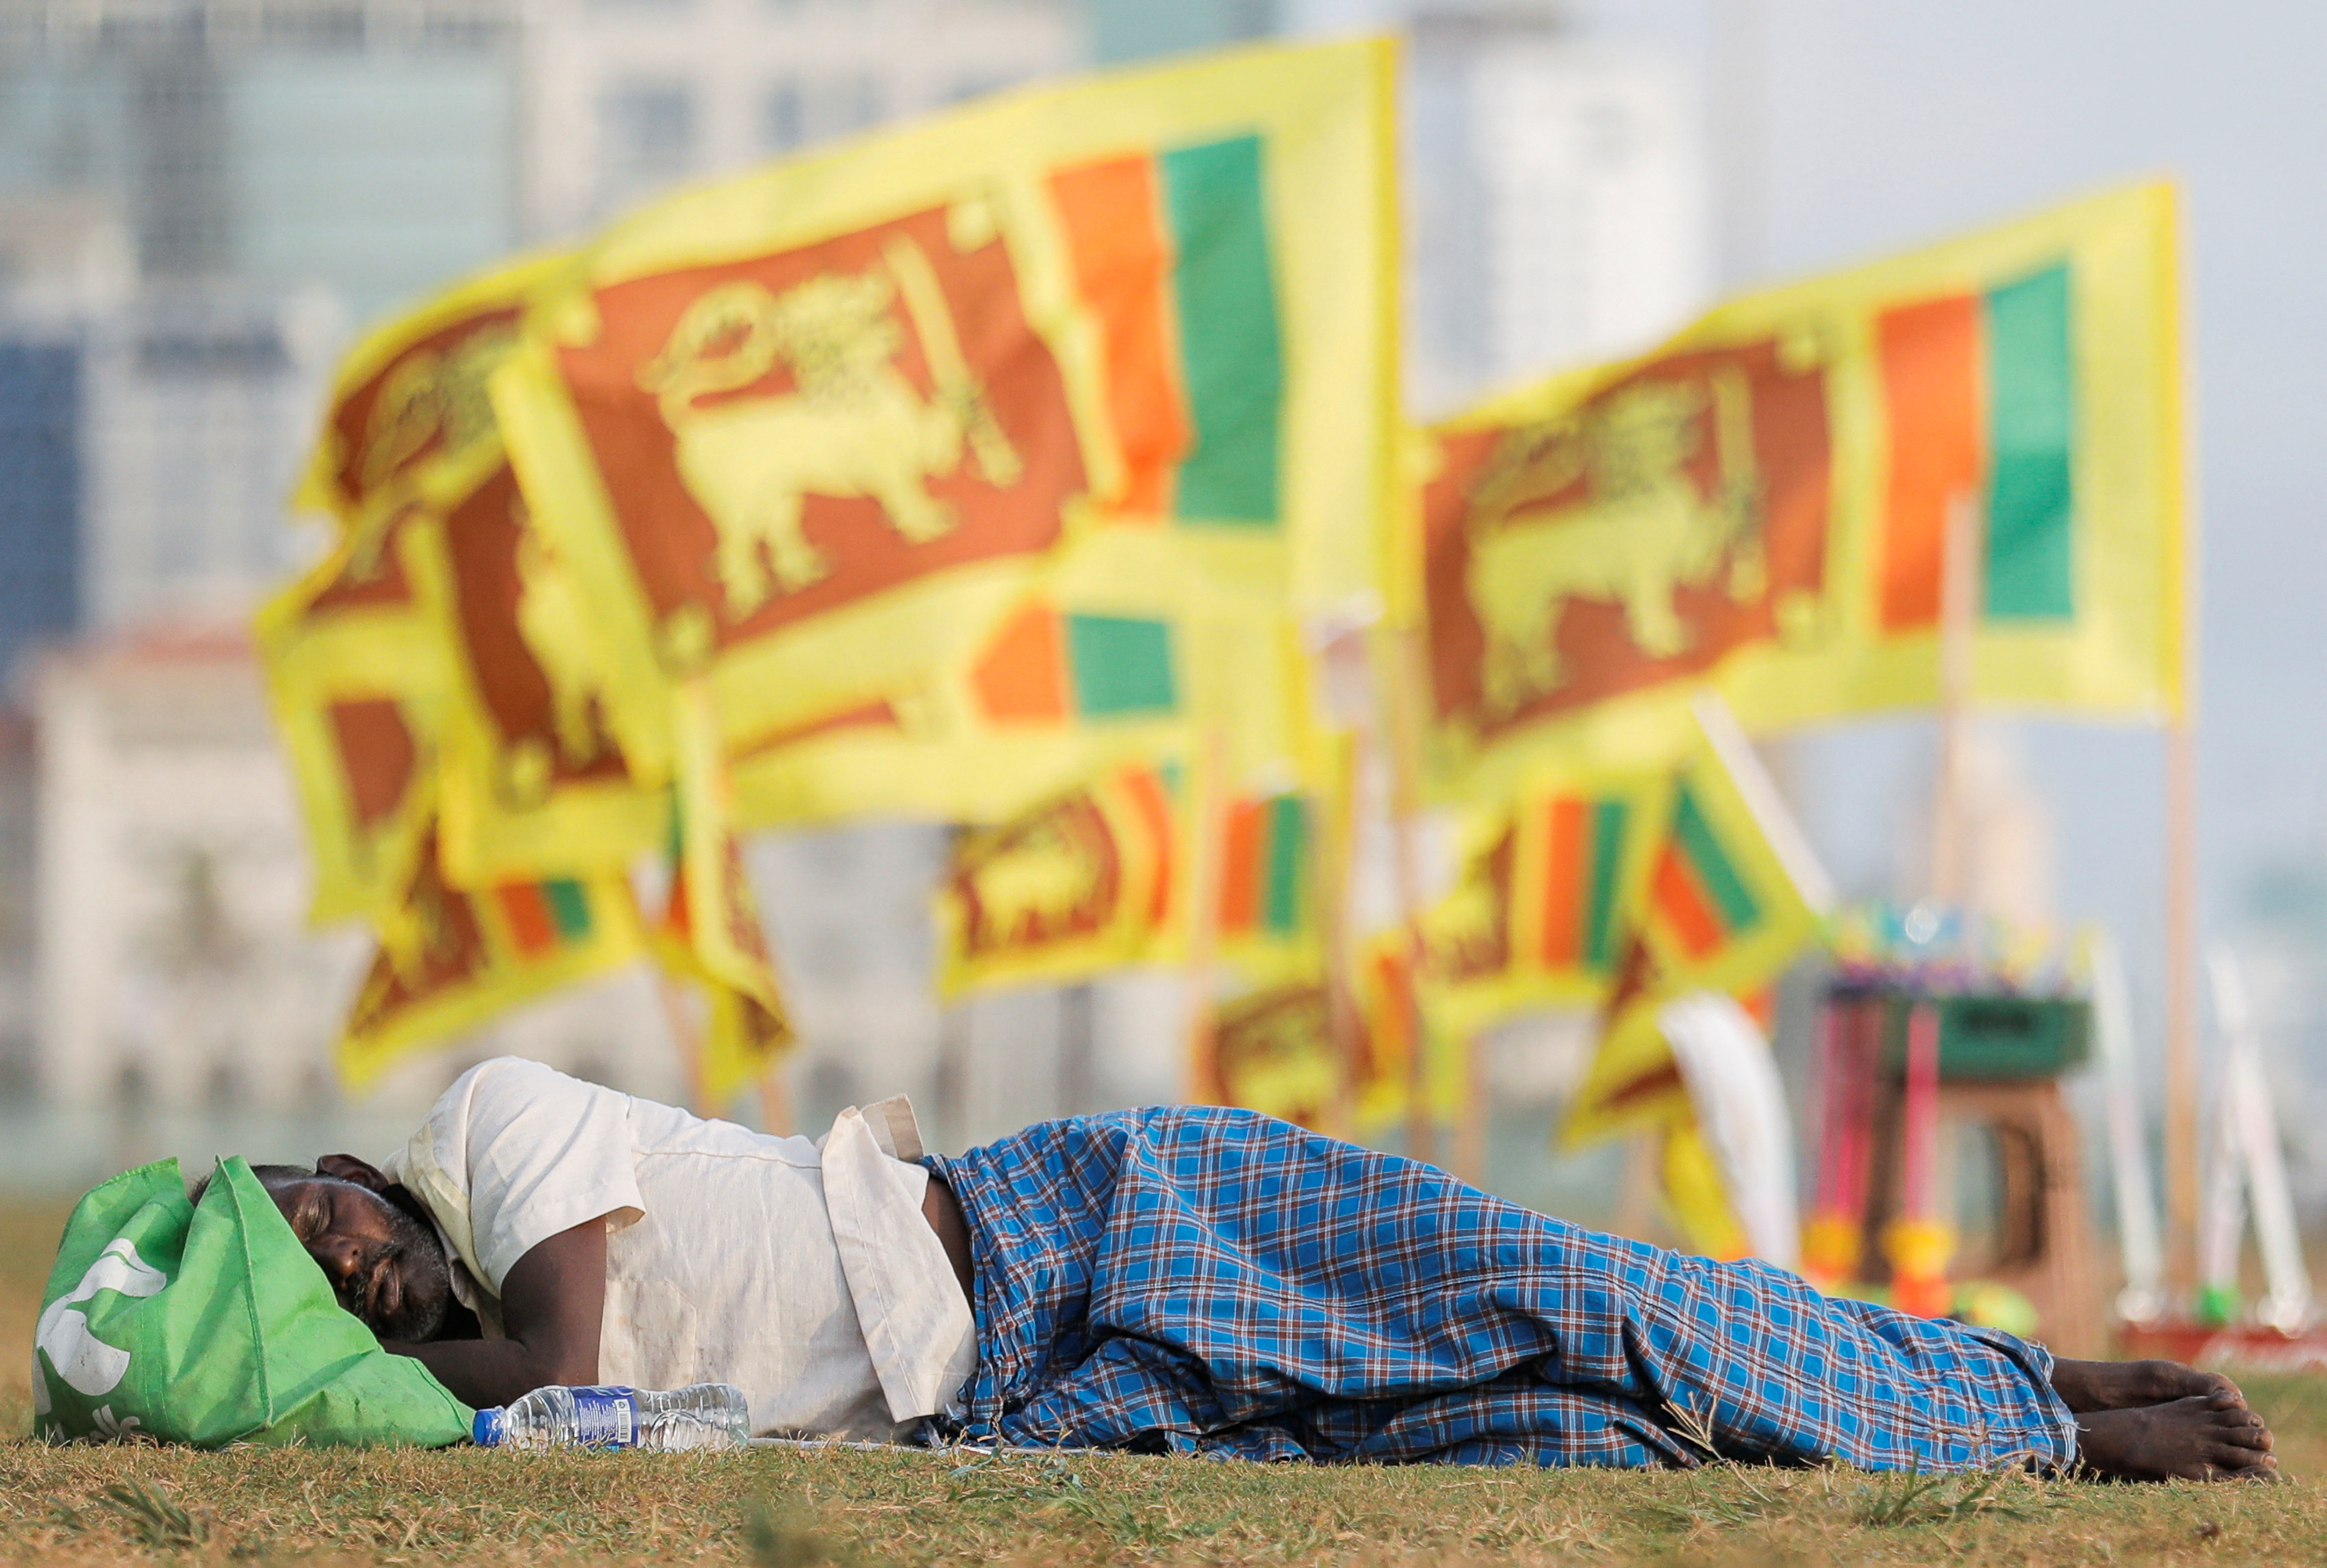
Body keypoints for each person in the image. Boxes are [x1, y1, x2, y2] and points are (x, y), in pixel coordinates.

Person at [247, 1056, 2275, 1479]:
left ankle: (2043, 1411)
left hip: (1094, 1219)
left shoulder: (494, 1131)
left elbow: (560, 1356)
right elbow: (574, 1409)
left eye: (310, 1217)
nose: (337, 1267)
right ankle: (1974, 1399)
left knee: (1572, 1288)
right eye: (294, 1288)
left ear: (357, 1168)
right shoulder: (457, 1390)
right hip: (1035, 1400)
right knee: (1571, 1435)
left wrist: (351, 1366)